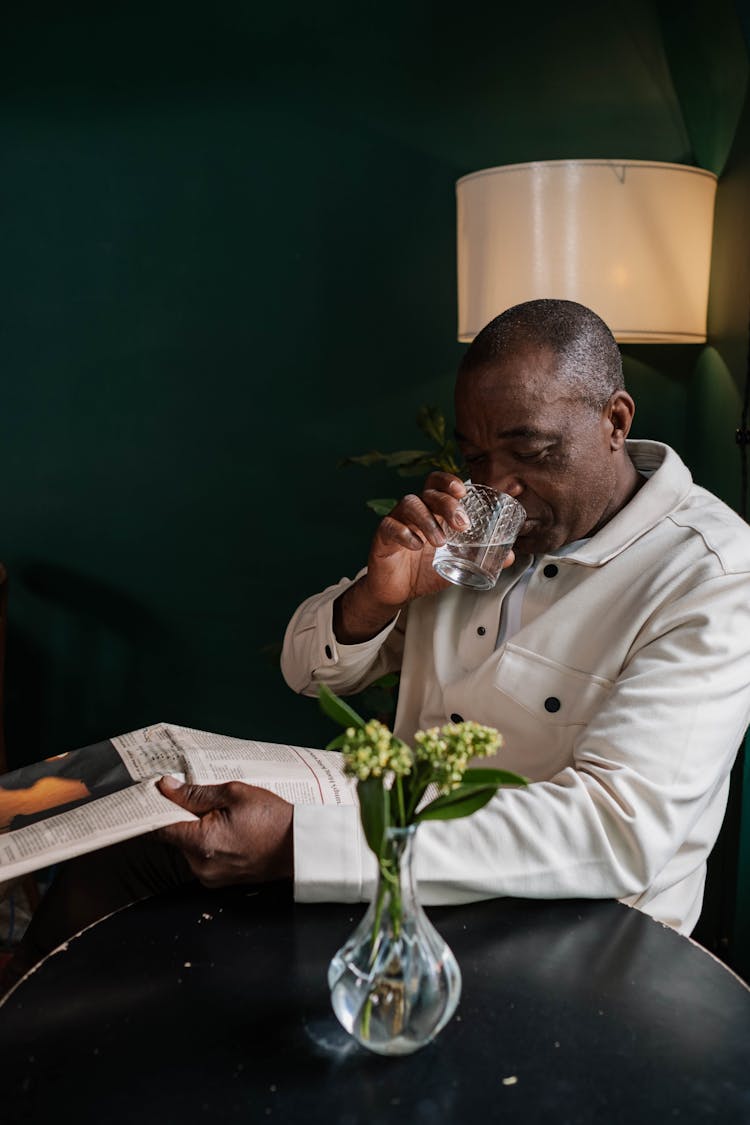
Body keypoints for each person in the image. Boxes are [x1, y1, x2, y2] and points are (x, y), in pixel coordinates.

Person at [3, 298, 749, 996]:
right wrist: (376, 599)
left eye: (530, 450)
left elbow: (617, 829)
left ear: (615, 419)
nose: (501, 487)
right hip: (393, 877)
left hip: (572, 928)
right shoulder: (479, 529)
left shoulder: (713, 575)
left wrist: (305, 843)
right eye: (477, 455)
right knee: (139, 839)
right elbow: (307, 667)